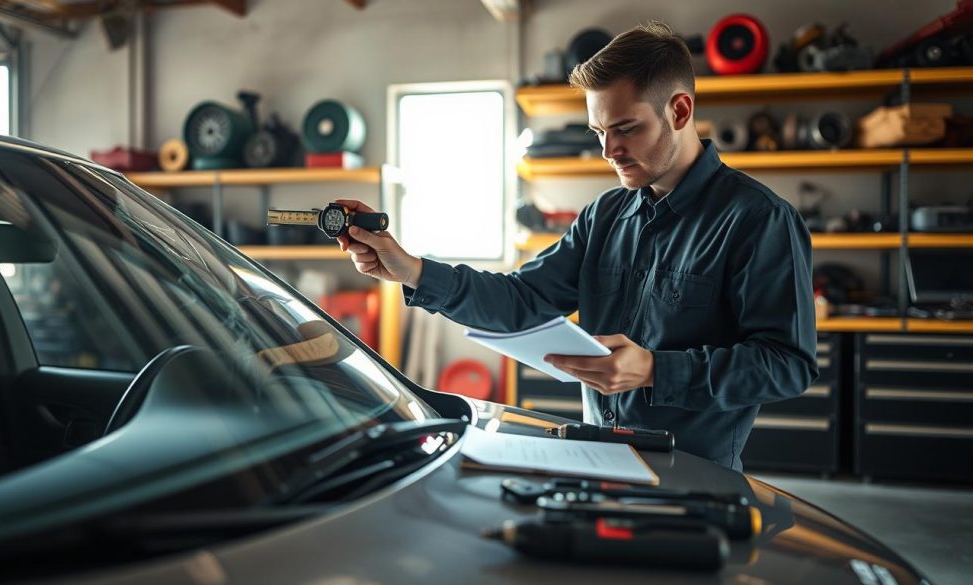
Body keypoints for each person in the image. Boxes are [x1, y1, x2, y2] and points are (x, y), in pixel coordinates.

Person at [336, 22, 818, 471]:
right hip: (596, 461)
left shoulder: (759, 220)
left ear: (679, 110)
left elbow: (787, 365)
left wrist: (654, 370)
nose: (609, 152)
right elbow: (521, 300)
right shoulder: (604, 217)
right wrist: (414, 271)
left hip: (694, 477)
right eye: (598, 132)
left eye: (626, 128)